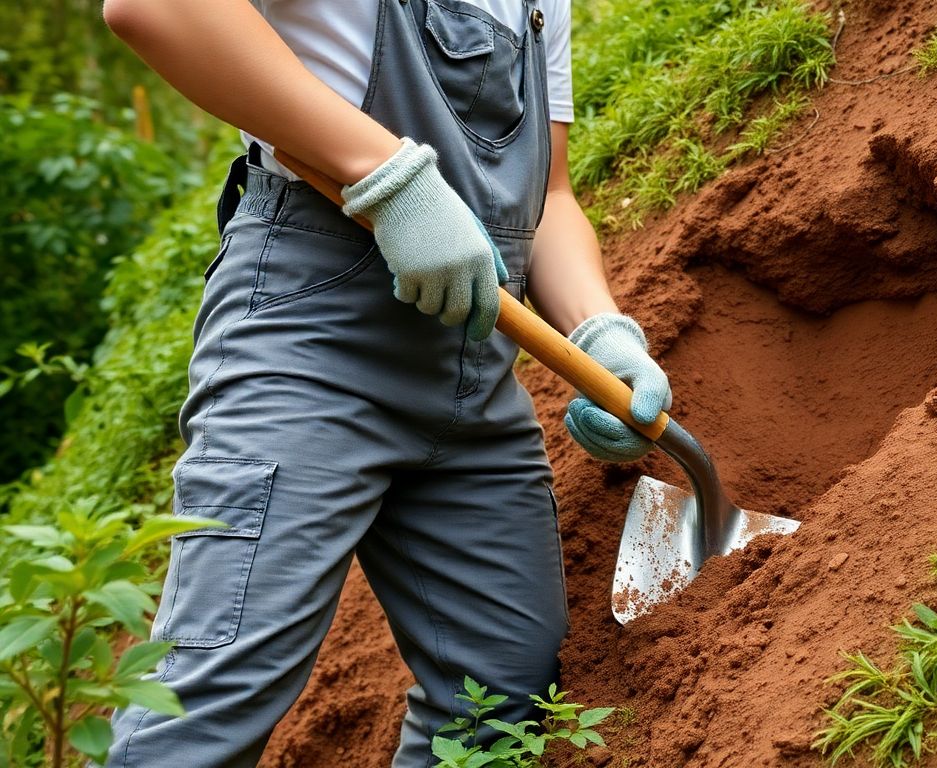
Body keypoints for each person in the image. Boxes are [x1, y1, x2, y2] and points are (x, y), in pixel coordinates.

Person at [99, 0, 672, 764]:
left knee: (502, 696)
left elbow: (552, 196)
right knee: (212, 699)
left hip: (474, 370)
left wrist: (601, 332)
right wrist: (388, 177)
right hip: (311, 342)